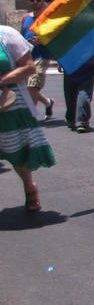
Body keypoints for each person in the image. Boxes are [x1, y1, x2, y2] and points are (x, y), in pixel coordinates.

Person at [0, 25, 56, 212]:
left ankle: (29, 185)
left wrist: (2, 81)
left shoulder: (7, 35)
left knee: (17, 152)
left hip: (9, 103)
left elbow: (29, 67)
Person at [20, 0, 54, 120]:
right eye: (32, 0)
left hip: (42, 56)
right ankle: (47, 102)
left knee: (32, 86)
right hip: (27, 56)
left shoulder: (48, 17)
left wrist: (42, 40)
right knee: (27, 87)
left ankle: (31, 117)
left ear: (43, 1)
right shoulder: (25, 18)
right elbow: (21, 35)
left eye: (38, 0)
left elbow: (54, 35)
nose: (35, 2)